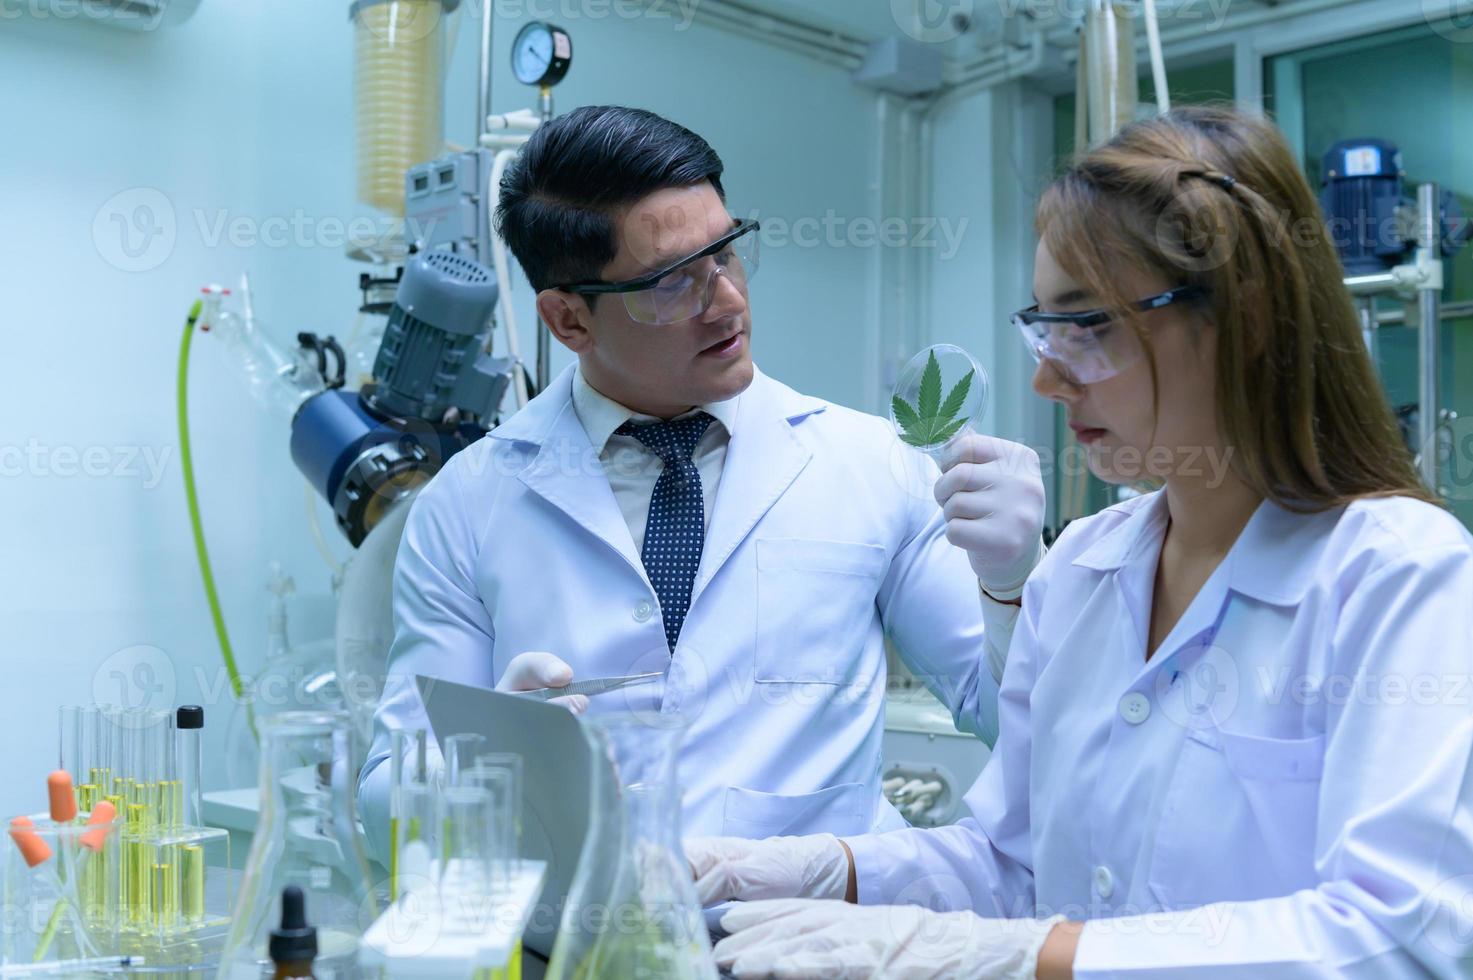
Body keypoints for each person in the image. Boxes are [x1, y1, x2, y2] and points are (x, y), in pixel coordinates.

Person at [692, 104, 1473, 979]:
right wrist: (822, 869)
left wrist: (1022, 955)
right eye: (1043, 324)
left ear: (1239, 318)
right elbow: (1010, 861)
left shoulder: (1397, 573)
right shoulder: (1079, 568)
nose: (1045, 375)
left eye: (1088, 325)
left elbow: (1396, 937)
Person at [357, 105, 1048, 864]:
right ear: (568, 321)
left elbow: (1021, 723)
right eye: (669, 284)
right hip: (578, 952)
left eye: (725, 253)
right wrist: (487, 757)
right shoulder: (468, 503)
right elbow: (389, 798)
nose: (725, 302)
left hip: (815, 942)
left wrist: (1015, 585)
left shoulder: (874, 465)